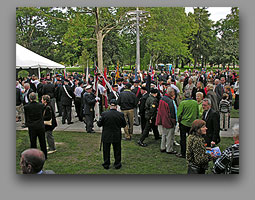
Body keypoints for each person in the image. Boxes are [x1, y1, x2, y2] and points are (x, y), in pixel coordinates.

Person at [97, 99, 126, 170]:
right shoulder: (120, 114)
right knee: (117, 150)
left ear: (110, 106)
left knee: (106, 150)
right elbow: (124, 125)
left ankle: (106, 164)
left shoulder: (104, 114)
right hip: (116, 134)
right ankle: (117, 164)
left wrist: (98, 121)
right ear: (116, 106)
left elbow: (99, 124)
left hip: (106, 135)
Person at [24, 92, 47, 159]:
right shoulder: (41, 105)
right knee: (42, 141)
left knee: (33, 141)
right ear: (36, 98)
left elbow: (26, 116)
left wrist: (27, 124)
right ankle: (44, 155)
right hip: (40, 125)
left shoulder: (26, 107)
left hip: (32, 126)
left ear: (29, 98)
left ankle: (34, 156)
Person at [176, 90, 199, 158]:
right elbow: (197, 113)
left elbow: (179, 114)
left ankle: (183, 153)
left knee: (183, 139)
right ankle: (191, 152)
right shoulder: (195, 103)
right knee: (191, 139)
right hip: (192, 123)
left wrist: (179, 121)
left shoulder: (183, 103)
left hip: (184, 123)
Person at [156, 87, 177, 154]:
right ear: (171, 93)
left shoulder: (162, 99)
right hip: (168, 120)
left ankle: (163, 147)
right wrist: (174, 121)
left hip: (163, 119)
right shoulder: (169, 101)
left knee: (164, 135)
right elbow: (171, 113)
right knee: (170, 136)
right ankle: (169, 149)